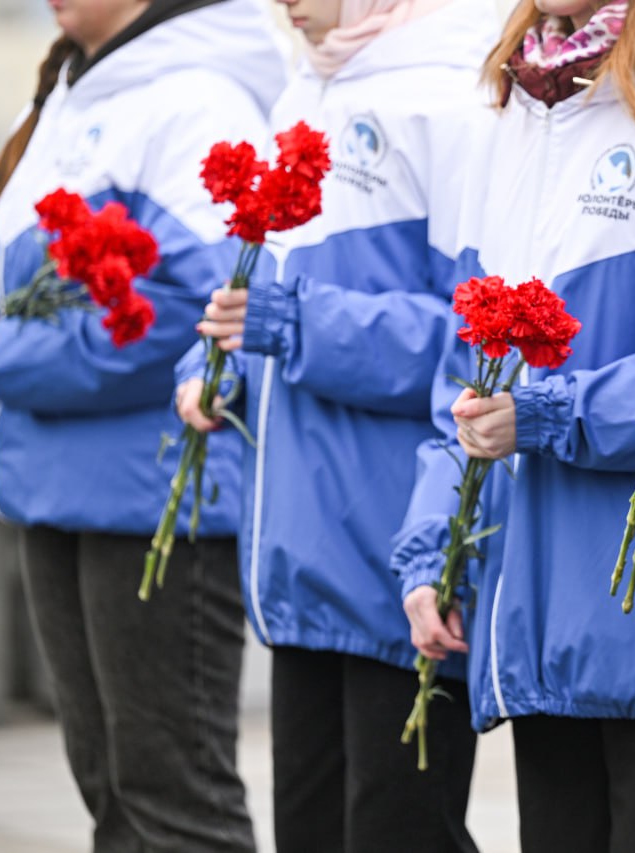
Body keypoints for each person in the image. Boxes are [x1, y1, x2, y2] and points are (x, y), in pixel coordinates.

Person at [393, 1, 635, 851]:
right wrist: (432, 549)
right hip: (534, 619)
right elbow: (467, 381)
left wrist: (547, 415)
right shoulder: (517, 106)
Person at [0, 0, 284, 849]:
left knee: (173, 800)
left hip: (153, 499)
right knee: (109, 789)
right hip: (54, 484)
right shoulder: (70, 93)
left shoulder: (199, 98)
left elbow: (197, 311)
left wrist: (7, 356)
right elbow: (14, 273)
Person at [182, 0, 496, 850]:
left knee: (399, 830)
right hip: (300, 564)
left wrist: (295, 326)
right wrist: (213, 367)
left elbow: (473, 341)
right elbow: (255, 301)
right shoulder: (306, 91)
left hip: (399, 563)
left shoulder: (454, 94)